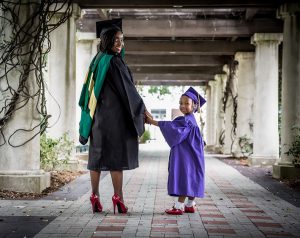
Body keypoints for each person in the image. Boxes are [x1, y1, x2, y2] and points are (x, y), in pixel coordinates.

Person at [78, 18, 151, 214]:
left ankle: (94, 196)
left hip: (98, 120)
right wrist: (143, 110)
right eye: (116, 40)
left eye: (121, 40)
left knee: (96, 158)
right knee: (115, 160)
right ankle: (118, 197)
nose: (120, 44)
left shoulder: (97, 61)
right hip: (115, 120)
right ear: (107, 40)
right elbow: (128, 92)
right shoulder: (114, 62)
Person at [145, 87, 206, 215]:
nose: (182, 106)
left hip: (187, 156)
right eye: (180, 103)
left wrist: (152, 121)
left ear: (194, 105)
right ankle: (190, 204)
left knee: (185, 177)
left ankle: (178, 206)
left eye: (186, 103)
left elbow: (171, 128)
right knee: (192, 177)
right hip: (194, 154)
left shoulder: (186, 121)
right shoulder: (190, 119)